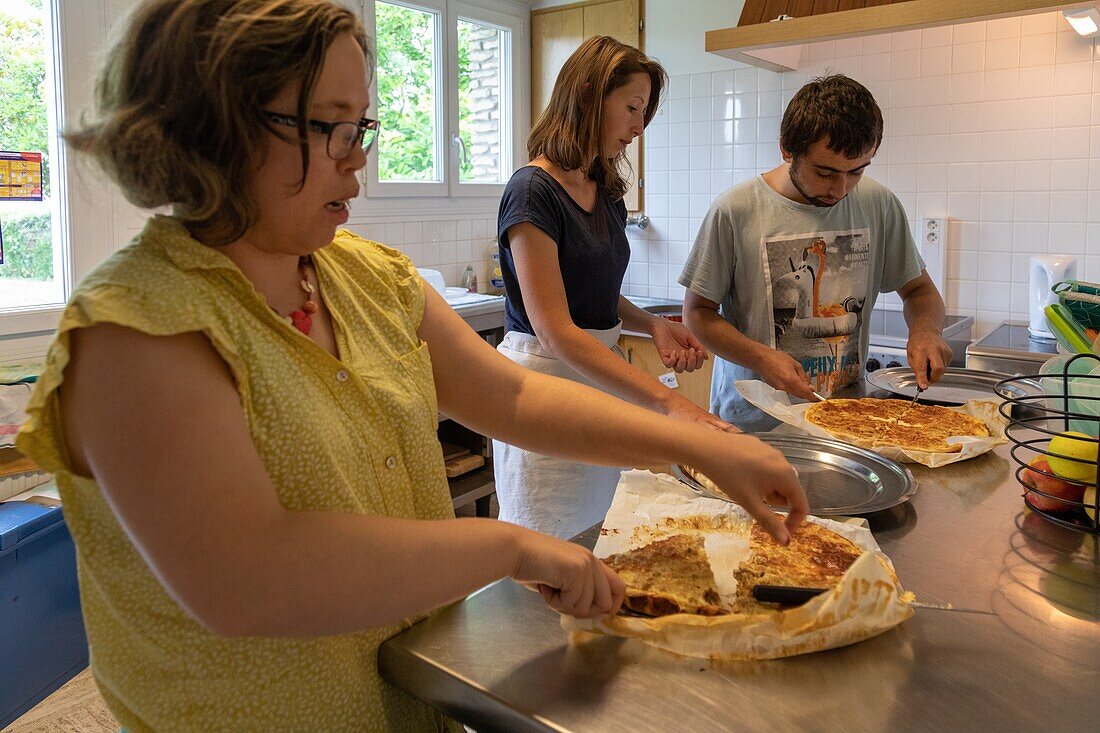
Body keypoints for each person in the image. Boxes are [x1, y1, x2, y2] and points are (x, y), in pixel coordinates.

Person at [16, 2, 807, 731]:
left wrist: (696, 441)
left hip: (407, 702)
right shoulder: (135, 330)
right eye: (329, 126)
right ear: (210, 126)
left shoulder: (361, 273)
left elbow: (517, 396)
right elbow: (248, 577)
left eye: (363, 125)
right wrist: (512, 546)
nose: (358, 158)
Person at [494, 36, 733, 540]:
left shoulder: (604, 192)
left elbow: (596, 293)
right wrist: (670, 405)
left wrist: (653, 326)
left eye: (643, 113)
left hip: (596, 380)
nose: (637, 128)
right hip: (546, 386)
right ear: (587, 94)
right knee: (548, 543)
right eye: (631, 108)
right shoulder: (533, 192)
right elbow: (557, 329)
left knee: (599, 533)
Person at [680, 74, 952, 429]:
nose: (840, 189)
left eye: (856, 172)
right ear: (787, 149)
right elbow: (698, 314)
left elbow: (919, 291)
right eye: (825, 172)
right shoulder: (736, 211)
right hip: (752, 427)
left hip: (843, 422)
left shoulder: (878, 204)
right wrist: (762, 358)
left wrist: (927, 331)